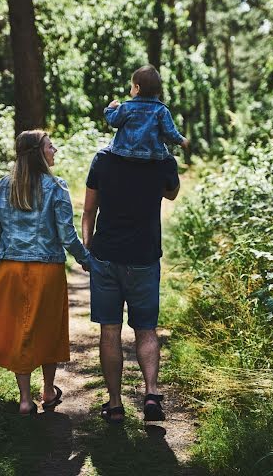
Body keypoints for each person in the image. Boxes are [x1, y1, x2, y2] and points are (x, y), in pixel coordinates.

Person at [0, 129, 89, 416]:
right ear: (40, 154)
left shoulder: (2, 187)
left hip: (11, 270)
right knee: (48, 329)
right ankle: (48, 390)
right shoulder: (57, 187)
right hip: (47, 270)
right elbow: (67, 236)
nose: (55, 151)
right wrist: (86, 259)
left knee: (20, 330)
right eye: (51, 147)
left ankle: (25, 398)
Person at [82, 141, 180, 424]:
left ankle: (114, 405)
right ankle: (151, 394)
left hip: (106, 256)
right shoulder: (162, 159)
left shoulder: (102, 158)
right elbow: (171, 194)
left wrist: (89, 250)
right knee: (147, 330)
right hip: (144, 257)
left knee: (110, 330)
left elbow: (89, 211)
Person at [104, 64, 189, 161]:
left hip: (125, 153)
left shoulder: (126, 107)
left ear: (137, 88)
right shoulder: (162, 110)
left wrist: (110, 109)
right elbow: (170, 132)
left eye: (131, 86)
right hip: (152, 156)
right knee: (170, 160)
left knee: (106, 150)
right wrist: (181, 140)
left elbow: (114, 121)